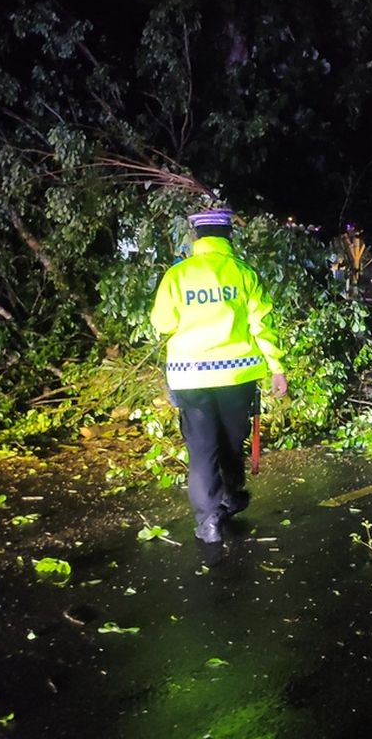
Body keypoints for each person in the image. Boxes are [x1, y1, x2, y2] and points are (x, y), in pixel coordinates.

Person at [150, 207, 289, 544]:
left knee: (202, 450)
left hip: (190, 378)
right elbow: (262, 327)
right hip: (237, 378)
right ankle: (230, 494)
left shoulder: (177, 276)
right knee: (230, 441)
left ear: (197, 238)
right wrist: (277, 368)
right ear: (228, 237)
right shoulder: (243, 274)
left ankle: (209, 519)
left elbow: (162, 324)